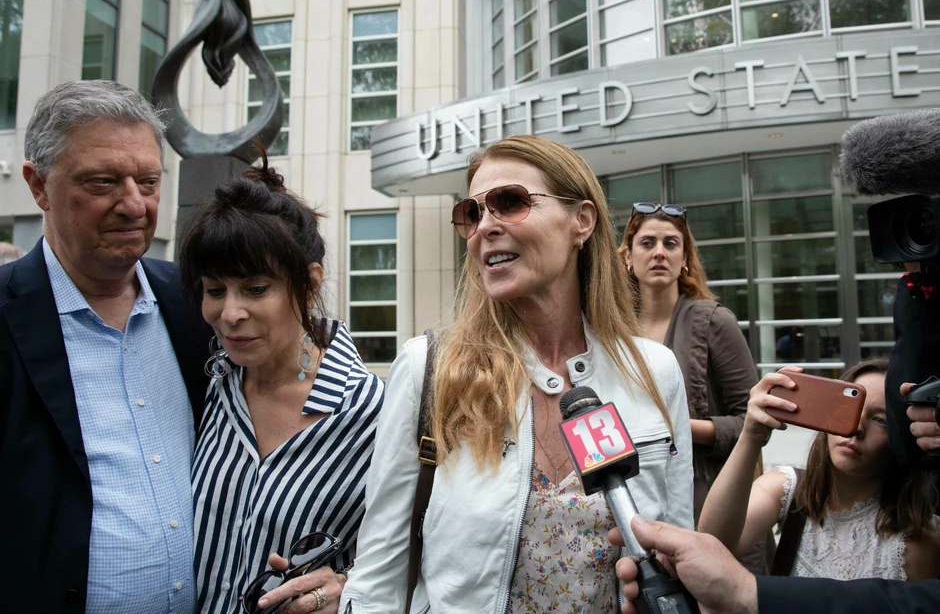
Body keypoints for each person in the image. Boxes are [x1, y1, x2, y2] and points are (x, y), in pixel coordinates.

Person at [341, 135, 693, 613]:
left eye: (510, 202)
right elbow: (379, 571)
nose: (485, 227)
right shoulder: (429, 368)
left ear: (581, 221)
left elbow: (680, 547)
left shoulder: (655, 370)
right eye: (472, 213)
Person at [0, 80, 210, 613]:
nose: (134, 204)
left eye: (148, 181)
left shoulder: (197, 302)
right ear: (39, 186)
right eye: (103, 181)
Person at [179, 152, 384, 614]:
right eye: (215, 290)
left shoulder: (375, 413)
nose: (230, 314)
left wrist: (346, 589)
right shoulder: (207, 386)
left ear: (309, 285)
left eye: (256, 289)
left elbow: (414, 553)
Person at [698, 359, 940, 581]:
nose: (856, 428)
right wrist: (751, 435)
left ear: (901, 436)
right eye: (849, 407)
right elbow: (713, 542)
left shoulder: (917, 540)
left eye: (880, 420)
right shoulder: (788, 488)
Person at [617, 203, 756, 525]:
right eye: (647, 243)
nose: (659, 253)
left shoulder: (715, 322)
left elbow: (750, 421)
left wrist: (677, 428)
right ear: (628, 257)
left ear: (684, 259)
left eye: (671, 243)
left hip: (703, 498)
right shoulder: (613, 330)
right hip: (631, 495)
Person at [611, 515, 940, 614]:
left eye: (880, 419)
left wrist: (745, 592)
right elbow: (715, 535)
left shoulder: (923, 533)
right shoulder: (788, 483)